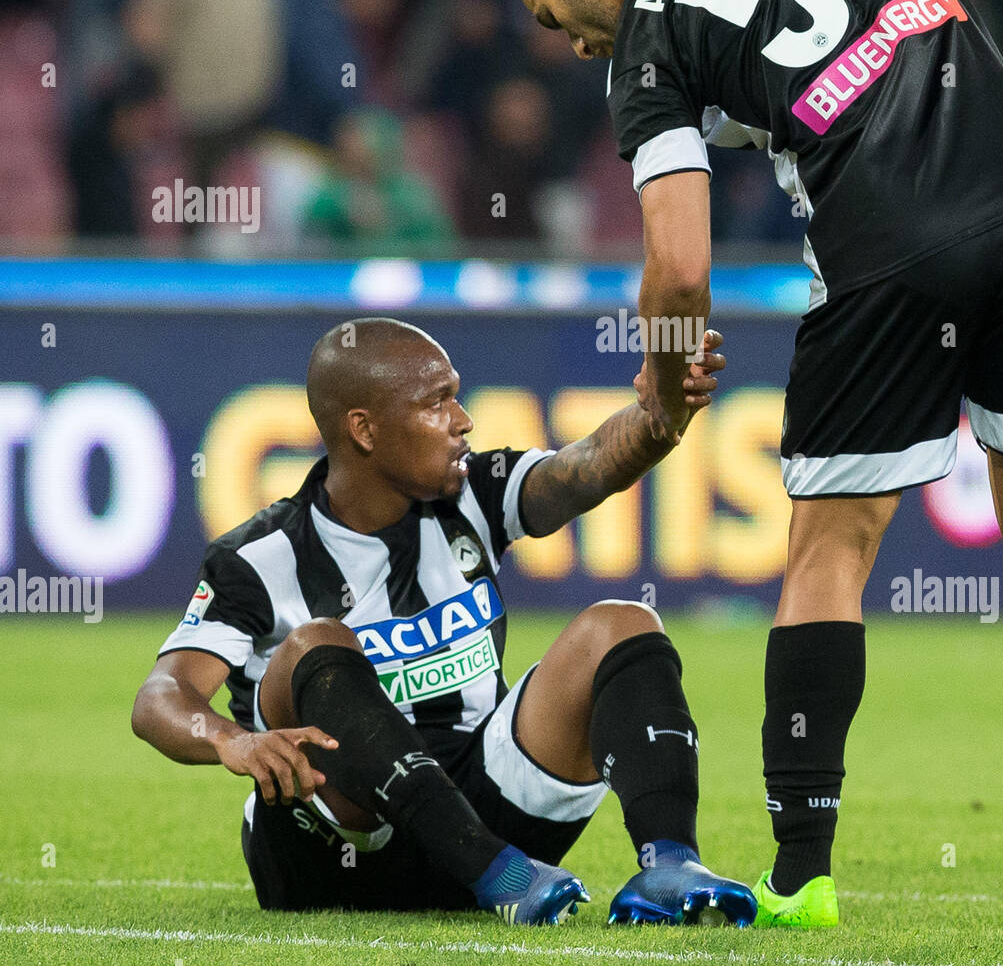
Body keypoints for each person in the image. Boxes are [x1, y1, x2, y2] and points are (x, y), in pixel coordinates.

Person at [494, 0, 1003, 929]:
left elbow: (676, 264)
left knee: (830, 551)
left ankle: (802, 872)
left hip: (890, 243)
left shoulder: (647, 45)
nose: (568, 43)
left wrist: (663, 385)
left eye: (546, 12)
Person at [132, 317, 756, 928]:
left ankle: (671, 866)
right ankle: (498, 875)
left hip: (491, 820)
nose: (463, 420)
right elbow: (161, 696)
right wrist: (232, 741)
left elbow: (589, 465)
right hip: (340, 852)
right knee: (315, 643)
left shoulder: (474, 494)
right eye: (437, 403)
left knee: (622, 624)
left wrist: (659, 418)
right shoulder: (259, 556)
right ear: (364, 430)